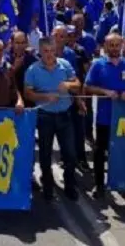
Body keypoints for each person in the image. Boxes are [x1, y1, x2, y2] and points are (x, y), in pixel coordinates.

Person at [85, 33, 125, 198]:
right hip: (104, 117)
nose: (114, 48)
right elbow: (88, 87)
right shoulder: (98, 65)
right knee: (100, 151)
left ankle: (122, 183)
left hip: (124, 118)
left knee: (123, 152)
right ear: (105, 46)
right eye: (111, 45)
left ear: (122, 45)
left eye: (117, 45)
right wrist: (105, 91)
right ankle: (100, 184)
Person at [24, 38, 80, 201]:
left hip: (65, 115)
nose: (49, 54)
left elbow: (77, 84)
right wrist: (45, 96)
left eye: (52, 50)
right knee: (45, 153)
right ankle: (48, 186)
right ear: (40, 52)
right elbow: (28, 93)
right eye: (46, 51)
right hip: (44, 116)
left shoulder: (65, 65)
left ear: (56, 50)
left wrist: (68, 86)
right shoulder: (32, 70)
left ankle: (70, 185)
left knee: (70, 154)